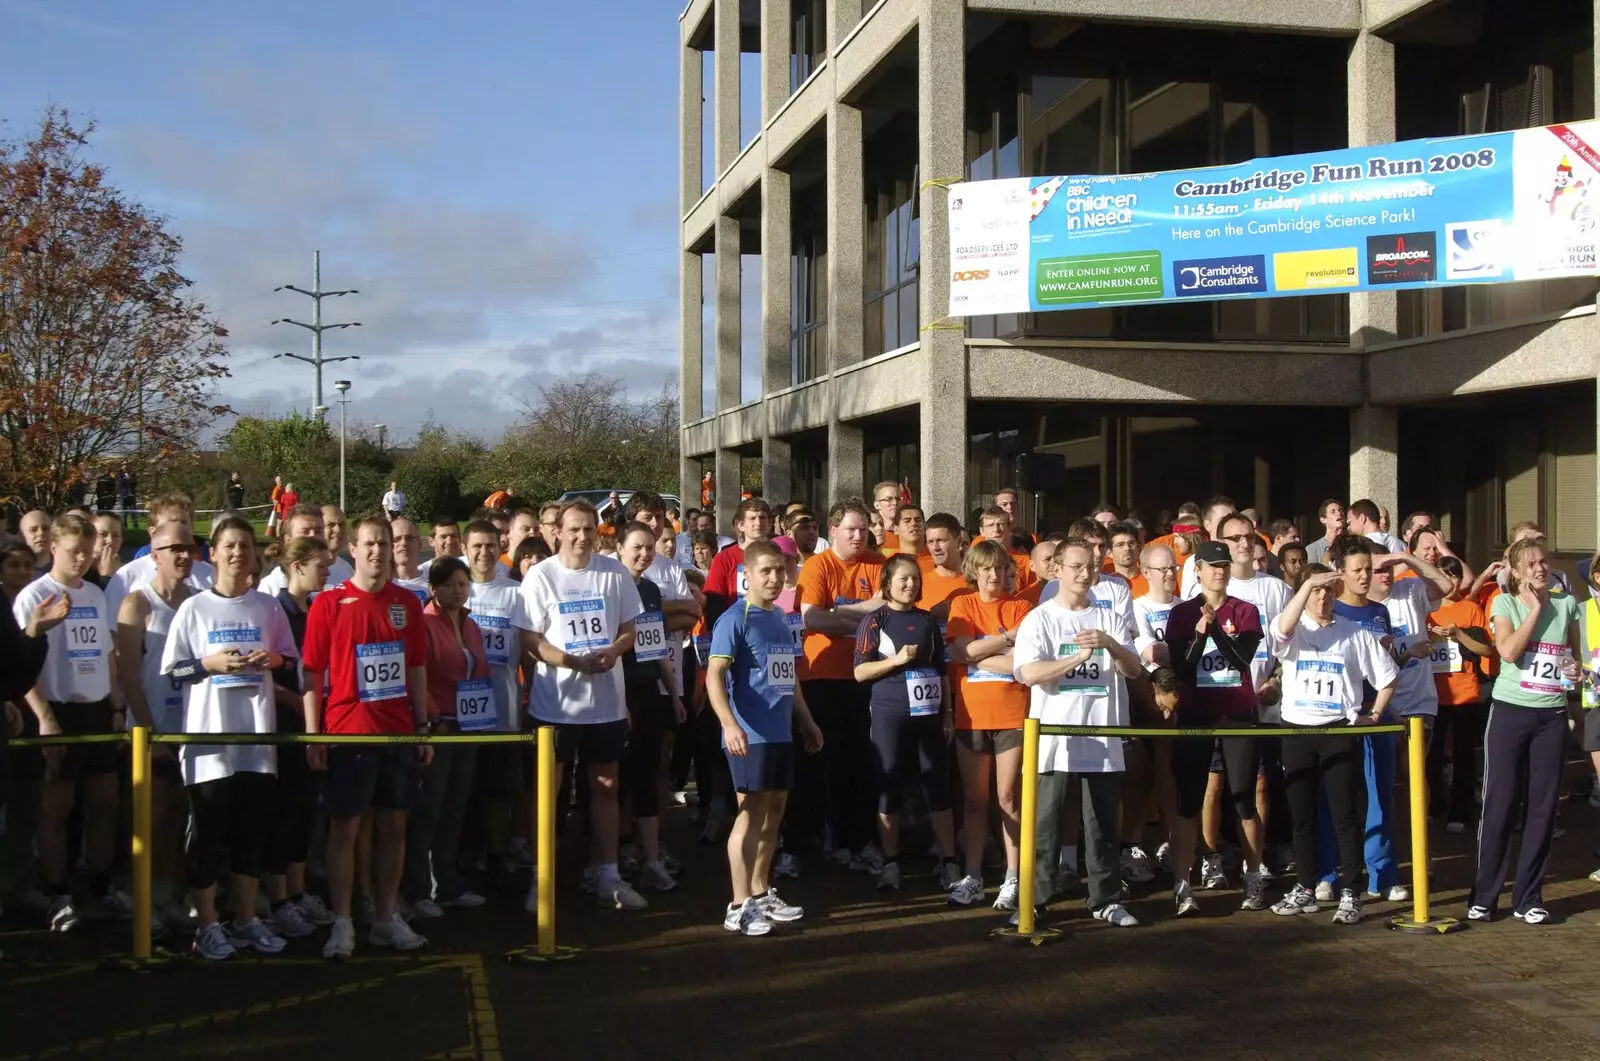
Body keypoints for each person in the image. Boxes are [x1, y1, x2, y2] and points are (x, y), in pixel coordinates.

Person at [160, 516, 297, 959]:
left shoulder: (268, 607)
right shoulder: (194, 608)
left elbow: (290, 662)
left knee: (250, 835)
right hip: (208, 744)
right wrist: (208, 665)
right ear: (213, 554)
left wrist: (272, 657)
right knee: (206, 835)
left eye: (245, 546)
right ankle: (207, 926)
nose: (238, 553)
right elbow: (174, 671)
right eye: (230, 546)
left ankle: (244, 920)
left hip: (256, 742)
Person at [301, 516, 433, 959]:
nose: (378, 551)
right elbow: (313, 672)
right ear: (352, 550)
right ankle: (342, 921)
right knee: (346, 829)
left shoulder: (407, 604)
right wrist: (313, 735)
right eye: (370, 544)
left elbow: (416, 668)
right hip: (347, 733)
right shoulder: (329, 603)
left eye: (384, 543)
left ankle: (386, 916)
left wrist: (421, 727)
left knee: (395, 826)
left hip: (397, 734)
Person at [519, 499, 646, 911]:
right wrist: (572, 661)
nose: (581, 536)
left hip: (606, 705)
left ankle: (607, 874)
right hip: (554, 705)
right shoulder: (541, 576)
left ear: (598, 531)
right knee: (548, 793)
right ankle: (542, 880)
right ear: (558, 531)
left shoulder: (614, 574)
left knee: (605, 788)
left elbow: (630, 630)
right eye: (574, 529)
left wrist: (613, 651)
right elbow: (530, 639)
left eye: (589, 529)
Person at [1013, 537, 1142, 928]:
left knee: (1103, 820)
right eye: (1076, 567)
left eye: (1091, 566)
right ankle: (1035, 898)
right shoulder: (1041, 618)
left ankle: (1105, 897)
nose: (1086, 574)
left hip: (1102, 735)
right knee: (1046, 821)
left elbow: (1134, 670)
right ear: (1057, 570)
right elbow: (1027, 672)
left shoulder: (1108, 616)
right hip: (1053, 737)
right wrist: (1076, 658)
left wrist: (1110, 646)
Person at [1267, 566, 1398, 925]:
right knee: (1302, 816)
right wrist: (1307, 583)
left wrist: (1374, 713)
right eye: (1315, 591)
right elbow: (1280, 630)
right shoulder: (1294, 629)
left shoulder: (1354, 633)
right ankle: (1305, 887)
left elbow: (1387, 676)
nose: (1322, 597)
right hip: (1296, 731)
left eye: (1328, 590)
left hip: (1339, 729)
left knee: (1344, 815)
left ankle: (1352, 892)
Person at [705, 539, 822, 935]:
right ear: (747, 576)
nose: (775, 578)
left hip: (780, 732)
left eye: (780, 570)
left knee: (775, 811)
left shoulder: (779, 619)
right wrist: (728, 723)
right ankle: (737, 905)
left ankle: (758, 892)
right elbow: (714, 675)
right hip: (748, 734)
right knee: (750, 813)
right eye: (765, 572)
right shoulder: (735, 618)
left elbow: (789, 678)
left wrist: (806, 721)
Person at [12, 515, 120, 930]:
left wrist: (115, 705)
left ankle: (97, 885)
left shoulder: (94, 593)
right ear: (54, 548)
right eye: (75, 551)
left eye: (87, 552)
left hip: (95, 709)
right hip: (58, 708)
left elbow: (107, 653)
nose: (82, 559)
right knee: (55, 808)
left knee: (105, 802)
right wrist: (44, 717)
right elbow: (25, 666)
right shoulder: (34, 595)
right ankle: (58, 893)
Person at [1468, 537, 1581, 925]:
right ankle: (1484, 896)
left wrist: (1575, 671)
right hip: (1510, 712)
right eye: (1530, 563)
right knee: (1500, 805)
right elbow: (1509, 652)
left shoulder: (1567, 605)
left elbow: (1571, 655)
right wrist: (1534, 608)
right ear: (1515, 571)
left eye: (1543, 561)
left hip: (1550, 715)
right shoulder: (1505, 603)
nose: (1539, 568)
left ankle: (1528, 897)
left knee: (1543, 809)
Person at [1162, 540, 1265, 915]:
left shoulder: (1247, 611)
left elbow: (1241, 661)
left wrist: (1215, 630)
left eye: (1224, 565)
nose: (1219, 571)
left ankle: (1253, 876)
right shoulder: (1181, 614)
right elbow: (1183, 670)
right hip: (1196, 713)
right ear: (1198, 571)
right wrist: (1201, 632)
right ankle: (1182, 884)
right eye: (1211, 566)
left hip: (1237, 712)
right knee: (1189, 800)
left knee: (1243, 799)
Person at [851, 554, 957, 893]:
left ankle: (949, 860)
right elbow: (860, 671)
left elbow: (941, 670)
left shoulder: (927, 620)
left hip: (928, 713)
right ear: (887, 584)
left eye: (915, 578)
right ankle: (890, 861)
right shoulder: (875, 619)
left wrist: (949, 713)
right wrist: (896, 660)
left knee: (936, 784)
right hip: (889, 712)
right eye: (903, 579)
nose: (911, 584)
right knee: (890, 783)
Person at [794, 499, 886, 873]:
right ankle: (809, 843)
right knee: (817, 764)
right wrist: (865, 615)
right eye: (850, 529)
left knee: (860, 763)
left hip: (866, 676)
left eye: (863, 529)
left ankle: (857, 841)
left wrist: (840, 616)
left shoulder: (879, 565)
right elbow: (813, 618)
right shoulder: (818, 566)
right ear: (832, 530)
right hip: (822, 677)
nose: (858, 535)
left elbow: (891, 609)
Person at [114, 521, 197, 932]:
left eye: (189, 547)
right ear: (154, 554)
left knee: (180, 818)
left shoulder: (198, 601)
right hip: (150, 731)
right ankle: (140, 897)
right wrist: (148, 735)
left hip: (190, 731)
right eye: (174, 548)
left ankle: (169, 896)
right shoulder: (137, 604)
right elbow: (129, 676)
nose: (183, 555)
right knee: (150, 817)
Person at [944, 541, 1031, 908]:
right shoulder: (962, 604)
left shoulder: (1023, 607)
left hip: (1013, 715)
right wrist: (1006, 641)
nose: (994, 575)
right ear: (974, 572)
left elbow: (1021, 663)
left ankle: (1014, 877)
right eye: (986, 569)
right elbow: (959, 651)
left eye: (999, 568)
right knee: (976, 801)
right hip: (971, 716)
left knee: (1009, 798)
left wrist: (980, 654)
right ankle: (974, 875)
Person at [403, 556, 490, 919]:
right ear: (434, 588)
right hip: (439, 728)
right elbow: (418, 674)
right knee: (429, 809)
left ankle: (448, 881)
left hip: (468, 726)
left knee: (455, 807)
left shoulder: (470, 624)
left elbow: (478, 669)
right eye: (450, 584)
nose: (458, 590)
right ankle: (419, 888)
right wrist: (432, 717)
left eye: (463, 584)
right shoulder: (424, 623)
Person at [262, 536, 337, 938]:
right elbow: (267, 680)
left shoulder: (317, 609)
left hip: (316, 723)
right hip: (287, 727)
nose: (327, 571)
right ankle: (279, 899)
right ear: (298, 567)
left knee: (305, 811)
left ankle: (297, 889)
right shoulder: (276, 610)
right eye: (321, 565)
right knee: (284, 813)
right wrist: (302, 702)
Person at [458, 518, 535, 899]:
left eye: (491, 545)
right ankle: (462, 859)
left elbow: (529, 652)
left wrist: (530, 694)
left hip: (503, 710)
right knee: (462, 791)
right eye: (477, 546)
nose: (484, 553)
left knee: (499, 791)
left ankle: (496, 856)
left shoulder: (515, 593)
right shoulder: (455, 590)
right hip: (460, 712)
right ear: (465, 547)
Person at [617, 522, 686, 893]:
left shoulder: (651, 589)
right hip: (616, 693)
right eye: (636, 547)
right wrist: (616, 700)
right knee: (616, 780)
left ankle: (651, 860)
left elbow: (654, 645)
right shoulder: (610, 586)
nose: (644, 554)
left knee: (647, 772)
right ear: (619, 547)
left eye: (649, 548)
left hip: (647, 691)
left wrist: (672, 692)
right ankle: (611, 857)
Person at [1426, 555, 1492, 834]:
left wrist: (1459, 635)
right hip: (1433, 694)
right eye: (1445, 575)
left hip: (1465, 692)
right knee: (1432, 755)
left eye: (1455, 576)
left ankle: (1461, 811)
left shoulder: (1471, 609)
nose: (1451, 582)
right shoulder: (1427, 609)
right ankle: (1433, 806)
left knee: (1465, 755)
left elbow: (1486, 649)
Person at [257, 505, 353, 595]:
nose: (313, 537)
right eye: (305, 532)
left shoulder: (346, 569)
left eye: (318, 531)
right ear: (288, 540)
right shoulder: (271, 587)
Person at [917, 512, 968, 627]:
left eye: (941, 540)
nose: (935, 548)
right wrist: (931, 614)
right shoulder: (918, 584)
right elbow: (907, 626)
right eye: (930, 542)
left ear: (958, 541)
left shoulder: (978, 582)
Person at [390, 517, 429, 602]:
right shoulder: (380, 586)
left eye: (409, 538)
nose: (403, 543)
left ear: (419, 544)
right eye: (397, 539)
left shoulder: (435, 583)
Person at [1106, 521, 1146, 597]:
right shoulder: (1105, 585)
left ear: (1138, 547)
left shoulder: (1152, 580)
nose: (1127, 548)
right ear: (1109, 553)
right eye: (1120, 545)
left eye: (1131, 543)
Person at [1303, 500, 1345, 567]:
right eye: (1333, 511)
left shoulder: (1351, 542)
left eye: (1340, 510)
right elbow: (1314, 573)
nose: (1339, 513)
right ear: (1323, 520)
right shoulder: (1312, 549)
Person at [88, 511, 123, 588]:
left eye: (116, 535)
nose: (110, 540)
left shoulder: (127, 571)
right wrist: (105, 576)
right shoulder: (81, 571)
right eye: (102, 534)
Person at [870, 482, 903, 551]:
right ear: (877, 505)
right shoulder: (870, 534)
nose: (895, 503)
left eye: (897, 499)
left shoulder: (906, 533)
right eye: (888, 499)